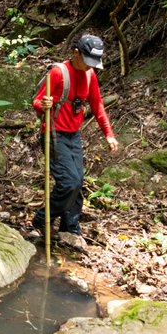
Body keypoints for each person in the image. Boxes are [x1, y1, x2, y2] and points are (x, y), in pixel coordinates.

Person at [32, 34, 119, 242]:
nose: (90, 67)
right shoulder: (58, 73)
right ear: (76, 53)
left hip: (74, 135)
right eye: (87, 61)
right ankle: (42, 219)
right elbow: (36, 101)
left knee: (78, 183)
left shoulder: (90, 75)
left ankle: (70, 228)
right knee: (69, 182)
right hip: (53, 133)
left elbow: (97, 105)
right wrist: (43, 105)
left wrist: (109, 133)